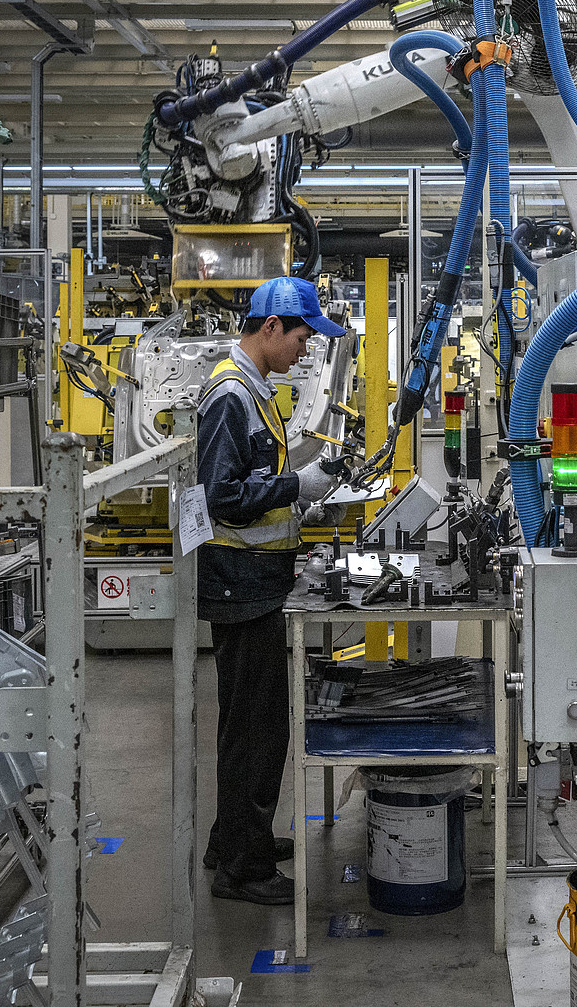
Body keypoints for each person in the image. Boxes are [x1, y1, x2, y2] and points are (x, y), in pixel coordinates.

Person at [197, 275, 346, 905]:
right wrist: (295, 487)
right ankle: (243, 869)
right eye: (303, 336)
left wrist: (299, 504)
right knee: (256, 731)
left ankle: (233, 839)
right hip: (241, 586)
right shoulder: (231, 395)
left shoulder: (255, 390)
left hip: (255, 582)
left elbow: (251, 482)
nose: (306, 349)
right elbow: (221, 496)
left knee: (246, 725)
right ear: (271, 326)